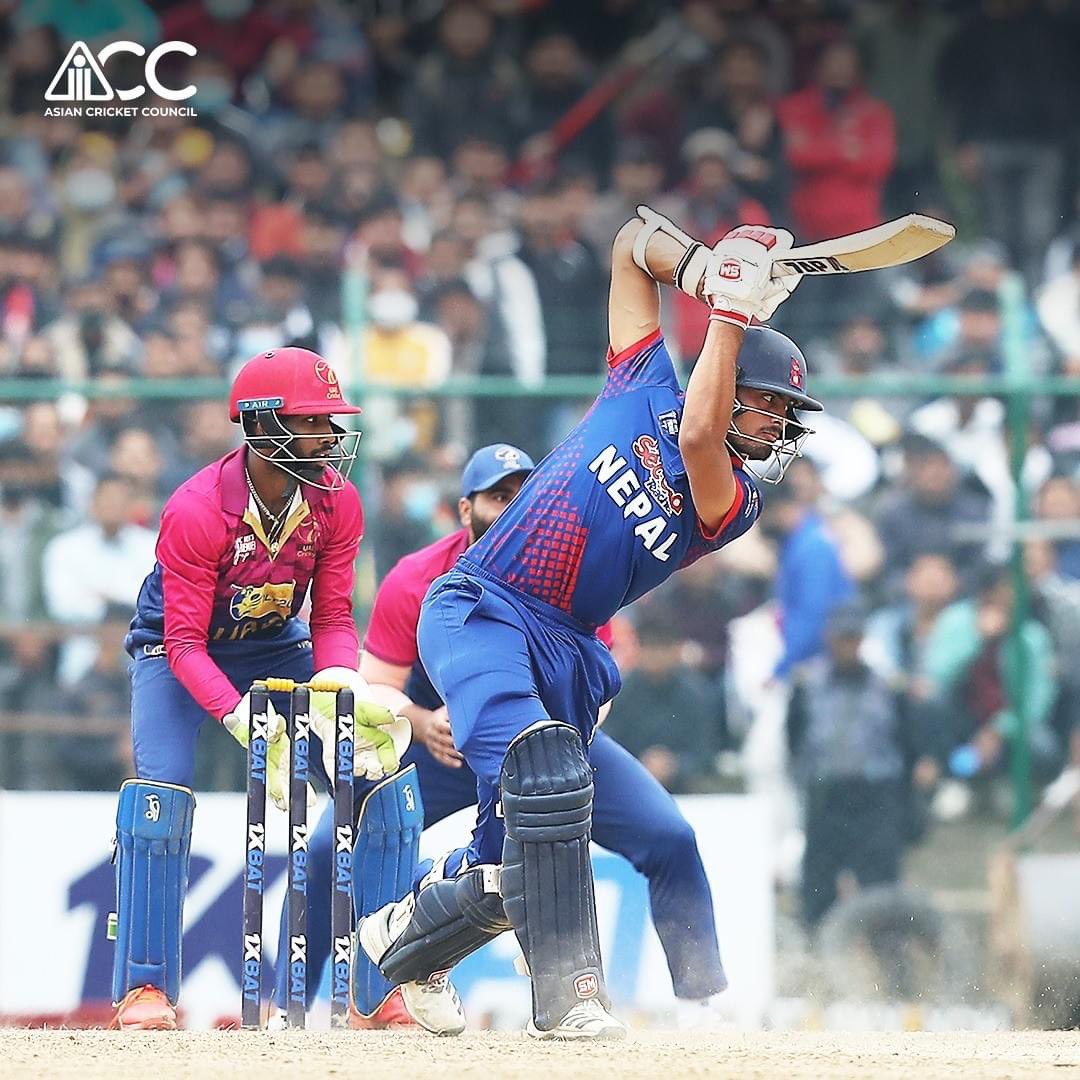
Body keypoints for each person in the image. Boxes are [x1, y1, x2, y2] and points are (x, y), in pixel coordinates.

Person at [357, 210, 816, 1039]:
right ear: (738, 379)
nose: (780, 431)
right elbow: (629, 248)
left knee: (506, 867)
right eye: (773, 408)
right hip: (484, 607)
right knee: (545, 777)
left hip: (570, 647)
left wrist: (732, 320)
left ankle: (410, 939)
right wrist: (707, 276)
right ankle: (571, 998)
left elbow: (705, 430)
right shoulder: (641, 382)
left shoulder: (732, 500)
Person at [277, 443, 733, 1029]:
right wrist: (421, 720)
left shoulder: (572, 572)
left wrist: (546, 758)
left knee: (669, 837)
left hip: (547, 742)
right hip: (439, 749)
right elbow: (376, 687)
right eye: (498, 497)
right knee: (325, 849)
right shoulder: (416, 578)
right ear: (464, 510)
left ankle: (700, 1002)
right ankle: (291, 1009)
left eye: (524, 494)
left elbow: (600, 688)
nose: (513, 507)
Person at [108, 347, 416, 1031]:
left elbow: (334, 616)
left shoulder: (336, 497)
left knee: (376, 777)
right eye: (314, 423)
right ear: (263, 426)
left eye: (332, 422)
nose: (331, 438)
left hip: (278, 643)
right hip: (175, 654)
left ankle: (383, 982)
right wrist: (237, 714)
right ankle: (145, 989)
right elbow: (185, 644)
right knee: (161, 796)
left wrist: (340, 680)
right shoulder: (195, 509)